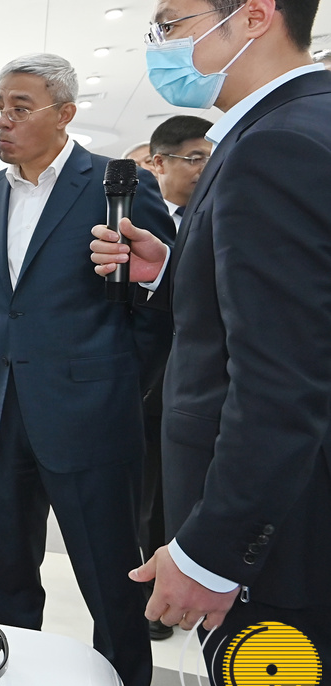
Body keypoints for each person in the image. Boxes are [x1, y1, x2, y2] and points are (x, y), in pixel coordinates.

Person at [91, 0, 331, 686]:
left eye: (172, 24)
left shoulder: (275, 146)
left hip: (280, 554)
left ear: (254, 16)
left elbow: (281, 385)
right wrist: (174, 272)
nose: (158, 46)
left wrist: (214, 552)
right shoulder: (301, 125)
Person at [0, 54, 174, 686]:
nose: (2, 120)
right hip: (3, 415)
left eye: (20, 107)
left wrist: (119, 388)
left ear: (65, 114)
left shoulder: (117, 185)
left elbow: (162, 303)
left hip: (91, 419)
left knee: (112, 585)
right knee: (6, 579)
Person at [139, 115, 213, 640]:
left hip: (206, 386)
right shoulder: (136, 218)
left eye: (209, 156)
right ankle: (158, 594)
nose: (205, 167)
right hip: (150, 383)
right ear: (159, 163)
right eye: (195, 157)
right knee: (152, 495)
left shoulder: (216, 212)